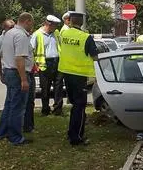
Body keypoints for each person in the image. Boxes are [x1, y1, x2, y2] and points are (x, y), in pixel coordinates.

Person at [58, 12, 98, 145]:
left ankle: (71, 132)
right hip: (79, 75)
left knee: (75, 105)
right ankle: (76, 137)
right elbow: (95, 56)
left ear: (70, 21)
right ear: (81, 23)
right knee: (80, 107)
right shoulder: (86, 37)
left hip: (66, 73)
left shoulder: (63, 34)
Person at [0, 12, 34, 145]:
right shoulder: (20, 35)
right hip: (17, 73)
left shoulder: (9, 34)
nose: (31, 26)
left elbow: (1, 54)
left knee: (9, 104)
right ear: (27, 21)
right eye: (31, 23)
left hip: (9, 71)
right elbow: (19, 58)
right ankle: (15, 137)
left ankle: (2, 132)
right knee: (18, 107)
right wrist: (24, 79)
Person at [31, 15, 62, 116]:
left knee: (58, 87)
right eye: (55, 25)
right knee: (45, 89)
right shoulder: (37, 34)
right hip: (44, 64)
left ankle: (58, 109)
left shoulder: (56, 33)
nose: (56, 28)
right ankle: (45, 110)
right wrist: (35, 65)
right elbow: (31, 51)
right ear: (48, 24)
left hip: (57, 62)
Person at [0, 19, 15, 84]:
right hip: (8, 71)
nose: (13, 29)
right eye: (11, 28)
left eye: (14, 27)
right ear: (5, 28)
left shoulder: (18, 37)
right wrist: (1, 74)